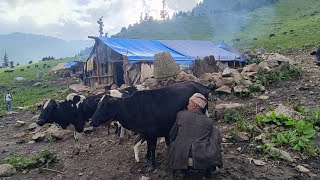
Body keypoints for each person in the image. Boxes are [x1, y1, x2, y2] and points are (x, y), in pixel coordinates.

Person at [168, 93, 222, 178]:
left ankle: (179, 169)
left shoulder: (181, 115)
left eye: (188, 104)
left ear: (193, 105)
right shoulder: (209, 121)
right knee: (215, 132)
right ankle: (212, 166)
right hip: (202, 158)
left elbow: (172, 135)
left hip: (181, 158)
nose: (187, 106)